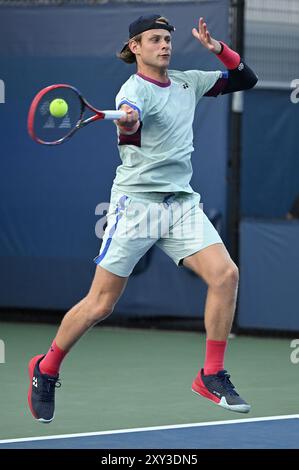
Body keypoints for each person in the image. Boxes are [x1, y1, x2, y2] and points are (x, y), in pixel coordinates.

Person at [28, 14, 258, 422]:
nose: (165, 45)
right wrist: (130, 122)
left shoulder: (189, 82)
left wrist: (219, 50)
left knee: (226, 275)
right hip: (136, 206)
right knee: (100, 305)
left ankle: (211, 373)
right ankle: (45, 369)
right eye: (154, 39)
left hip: (181, 203)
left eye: (167, 38)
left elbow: (245, 80)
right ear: (135, 47)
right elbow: (129, 127)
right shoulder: (131, 92)